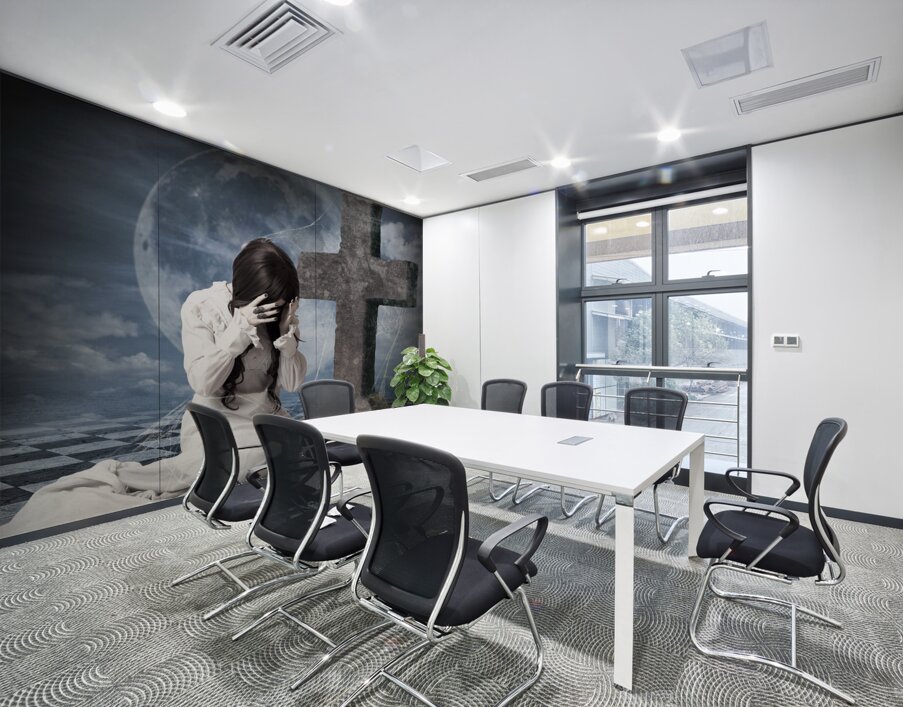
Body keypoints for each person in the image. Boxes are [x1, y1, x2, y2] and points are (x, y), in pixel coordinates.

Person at [0, 238, 307, 538]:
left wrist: (288, 344)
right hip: (219, 421)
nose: (276, 309)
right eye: (271, 304)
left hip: (266, 419)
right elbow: (203, 382)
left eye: (282, 303)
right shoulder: (203, 306)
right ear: (248, 290)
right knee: (239, 468)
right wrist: (238, 333)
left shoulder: (279, 312)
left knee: (300, 458)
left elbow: (293, 384)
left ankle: (279, 522)